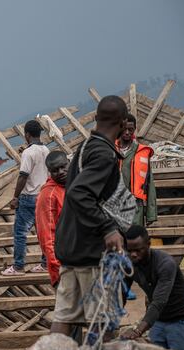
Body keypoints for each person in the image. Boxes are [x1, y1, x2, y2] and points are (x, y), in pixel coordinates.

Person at [50, 95, 129, 337]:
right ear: (124, 123)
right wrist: (109, 228)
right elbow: (80, 194)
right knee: (103, 320)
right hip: (91, 251)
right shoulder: (104, 154)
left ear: (95, 118)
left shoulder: (85, 146)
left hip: (70, 246)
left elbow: (77, 193)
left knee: (65, 316)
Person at [121, 225, 184, 350]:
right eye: (129, 251)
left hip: (183, 319)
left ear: (148, 244)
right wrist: (110, 320)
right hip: (160, 321)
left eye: (138, 250)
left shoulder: (165, 264)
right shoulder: (128, 263)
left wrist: (137, 331)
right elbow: (121, 293)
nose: (133, 254)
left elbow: (159, 301)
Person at [2, 120, 50, 276]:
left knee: (21, 233)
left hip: (29, 197)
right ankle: (45, 263)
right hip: (44, 196)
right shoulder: (46, 150)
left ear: (27, 135)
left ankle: (18, 267)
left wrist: (15, 197)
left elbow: (23, 176)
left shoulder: (28, 152)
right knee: (43, 231)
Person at [33, 151, 69, 286]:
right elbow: (47, 236)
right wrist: (57, 267)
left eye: (63, 167)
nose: (60, 172)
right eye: (55, 170)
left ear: (69, 163)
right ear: (49, 172)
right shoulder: (48, 195)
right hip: (63, 267)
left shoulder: (73, 186)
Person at [117, 113, 157, 226]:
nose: (127, 132)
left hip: (135, 207)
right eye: (124, 129)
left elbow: (149, 183)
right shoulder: (110, 150)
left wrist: (151, 213)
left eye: (130, 129)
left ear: (135, 129)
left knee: (134, 241)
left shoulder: (141, 153)